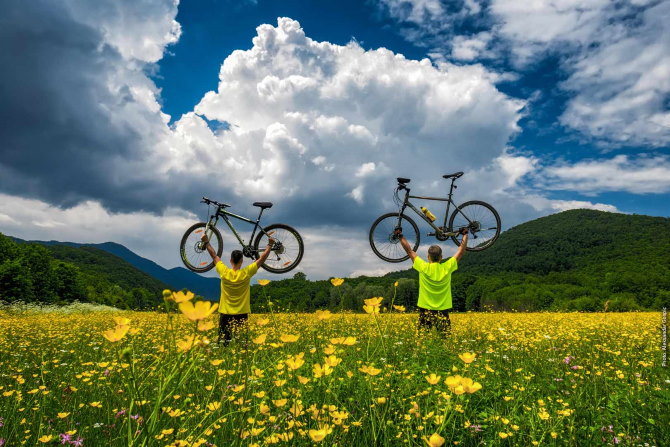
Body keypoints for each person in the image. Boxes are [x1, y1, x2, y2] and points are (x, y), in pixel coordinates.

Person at [201, 234, 274, 345]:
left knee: (224, 343)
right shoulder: (246, 273)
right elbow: (262, 259)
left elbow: (214, 255)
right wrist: (270, 244)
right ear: (242, 261)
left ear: (230, 260)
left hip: (225, 313)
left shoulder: (224, 272)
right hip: (242, 313)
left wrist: (206, 242)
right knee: (242, 343)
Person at [398, 228, 469, 336]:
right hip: (443, 310)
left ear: (428, 257)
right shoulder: (447, 267)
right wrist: (465, 234)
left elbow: (409, 251)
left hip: (425, 309)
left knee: (422, 340)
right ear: (441, 257)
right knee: (445, 341)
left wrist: (400, 236)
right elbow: (461, 251)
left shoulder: (423, 267)